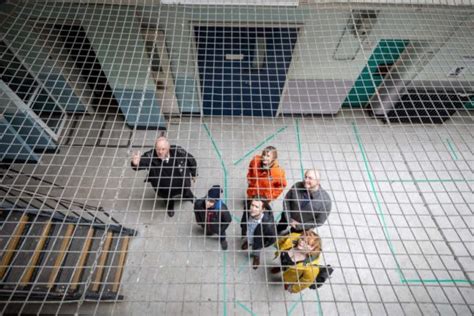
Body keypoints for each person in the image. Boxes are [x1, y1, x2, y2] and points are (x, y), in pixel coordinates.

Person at [131, 136, 197, 217]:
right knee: (168, 198)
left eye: (163, 149)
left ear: (168, 148)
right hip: (164, 187)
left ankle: (189, 196)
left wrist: (194, 173)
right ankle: (170, 206)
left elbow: (191, 160)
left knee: (186, 191)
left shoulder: (178, 151)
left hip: (181, 182)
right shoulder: (150, 156)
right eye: (158, 149)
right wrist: (135, 163)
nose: (160, 152)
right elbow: (140, 164)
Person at [277, 169, 331, 235]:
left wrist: (300, 226)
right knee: (279, 228)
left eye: (310, 178)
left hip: (302, 227)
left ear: (318, 181)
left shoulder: (326, 201)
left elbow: (319, 221)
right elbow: (286, 200)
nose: (305, 180)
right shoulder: (297, 186)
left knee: (290, 239)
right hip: (287, 216)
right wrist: (289, 219)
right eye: (305, 177)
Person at [240, 197, 276, 269]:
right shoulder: (247, 208)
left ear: (263, 210)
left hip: (257, 240)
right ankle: (248, 242)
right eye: (252, 205)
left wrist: (262, 244)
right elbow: (244, 218)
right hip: (248, 233)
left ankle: (256, 258)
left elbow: (272, 239)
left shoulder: (268, 224)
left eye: (257, 207)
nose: (252, 209)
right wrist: (243, 227)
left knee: (256, 250)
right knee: (248, 238)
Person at [194, 185, 232, 250]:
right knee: (208, 231)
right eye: (207, 199)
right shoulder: (199, 203)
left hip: (217, 227)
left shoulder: (222, 209)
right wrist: (199, 222)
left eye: (211, 201)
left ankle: (223, 240)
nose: (208, 203)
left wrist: (221, 230)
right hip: (205, 224)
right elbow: (196, 212)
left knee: (222, 234)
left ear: (216, 201)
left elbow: (228, 220)